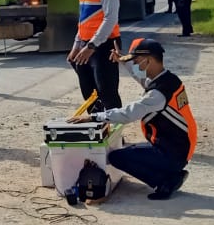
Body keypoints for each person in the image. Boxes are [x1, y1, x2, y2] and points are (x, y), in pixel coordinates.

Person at [68, 37, 197, 200]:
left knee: (117, 157)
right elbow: (144, 80)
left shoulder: (158, 94)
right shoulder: (169, 80)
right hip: (180, 148)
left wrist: (94, 117)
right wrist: (123, 60)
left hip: (172, 153)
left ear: (148, 60)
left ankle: (165, 181)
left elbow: (128, 114)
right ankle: (170, 171)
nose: (135, 66)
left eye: (136, 62)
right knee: (132, 151)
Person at [68, 0, 122, 111]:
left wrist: (92, 46)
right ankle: (97, 126)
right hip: (85, 43)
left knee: (107, 91)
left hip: (105, 45)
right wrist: (77, 45)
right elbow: (83, 19)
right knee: (88, 92)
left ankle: (116, 132)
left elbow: (110, 19)